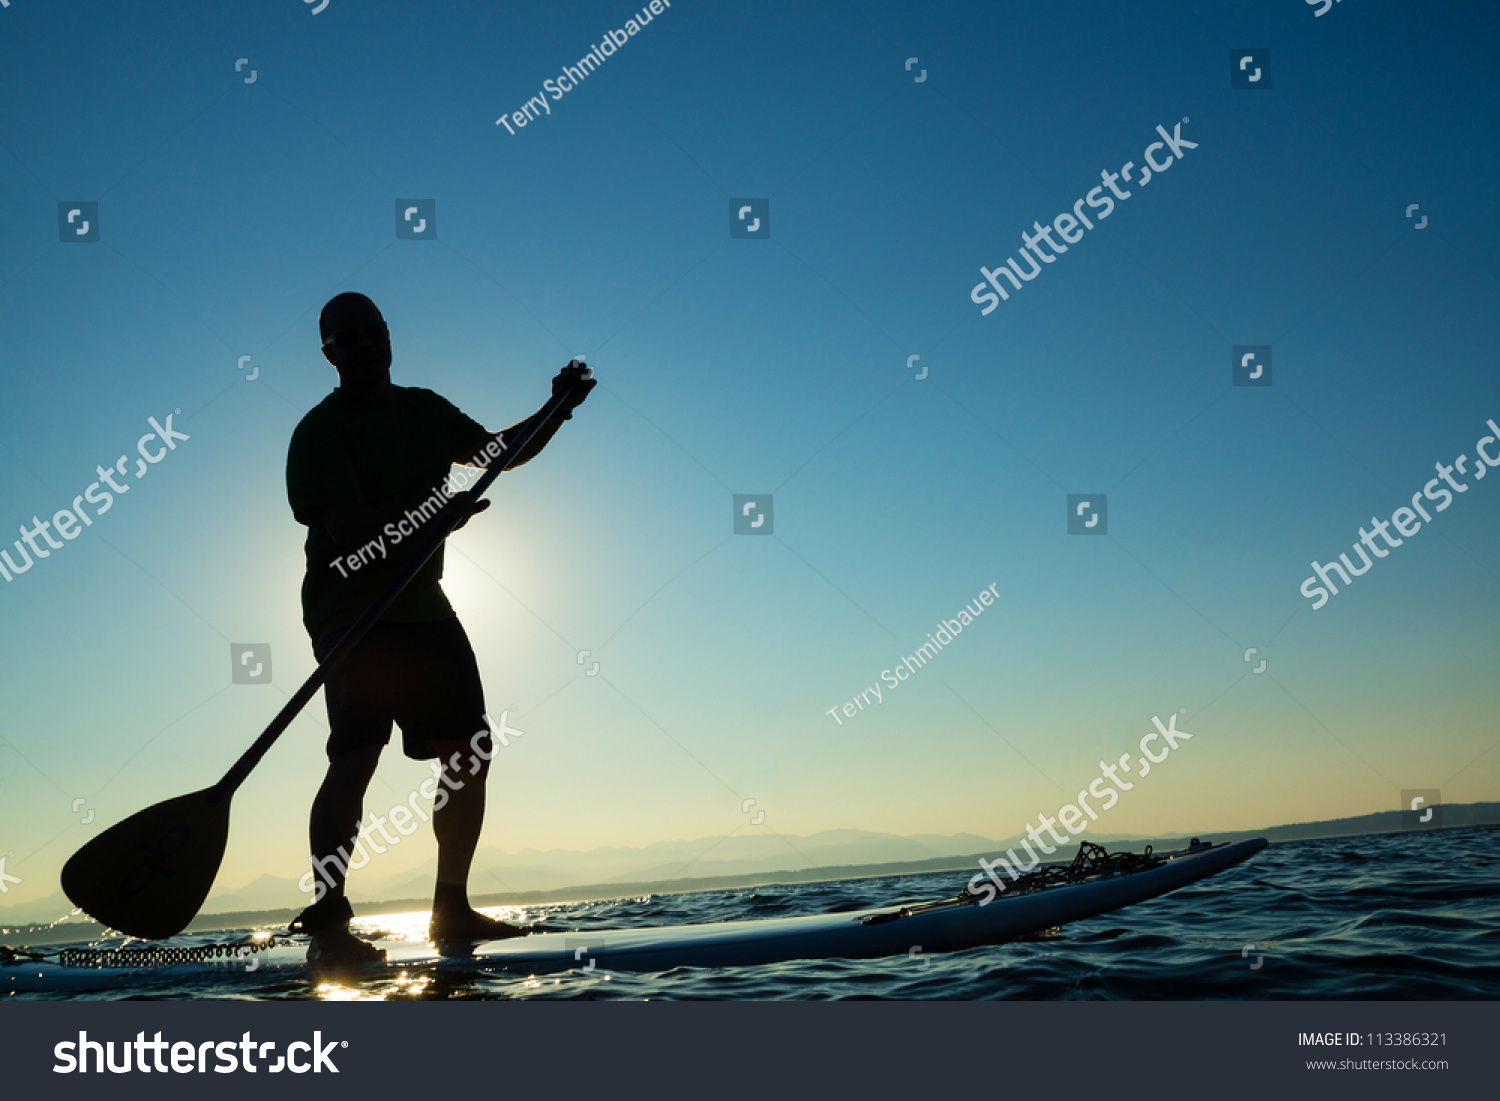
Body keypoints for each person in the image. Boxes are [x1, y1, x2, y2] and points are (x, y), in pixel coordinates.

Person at [283, 291, 593, 964]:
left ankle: (450, 908)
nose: (364, 345)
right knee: (355, 755)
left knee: (470, 749)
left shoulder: (427, 409)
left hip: (423, 604)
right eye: (348, 338)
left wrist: (556, 410)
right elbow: (348, 530)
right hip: (351, 614)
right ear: (330, 354)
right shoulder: (319, 432)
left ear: (389, 339)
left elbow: (496, 452)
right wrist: (431, 521)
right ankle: (331, 926)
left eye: (373, 333)